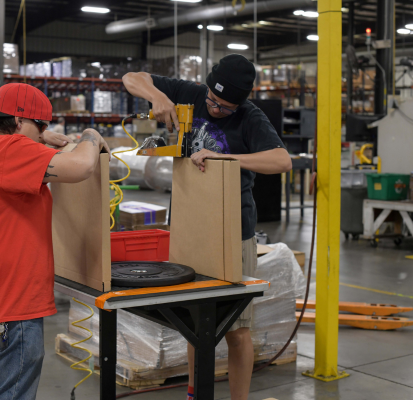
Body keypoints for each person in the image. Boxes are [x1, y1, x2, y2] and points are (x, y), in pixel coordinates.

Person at [122, 54, 292, 400]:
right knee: (195, 326)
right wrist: (158, 97)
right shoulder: (192, 94)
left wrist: (227, 158)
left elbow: (281, 160)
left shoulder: (250, 117)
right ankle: (193, 395)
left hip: (233, 233)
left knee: (236, 330)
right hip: (191, 228)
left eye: (225, 107)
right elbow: (132, 76)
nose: (215, 109)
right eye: (212, 101)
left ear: (240, 103)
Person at [0, 83, 110, 400]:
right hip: (12, 310)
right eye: (42, 125)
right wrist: (90, 135)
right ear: (19, 123)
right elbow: (81, 167)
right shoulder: (9, 151)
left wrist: (41, 137)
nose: (44, 133)